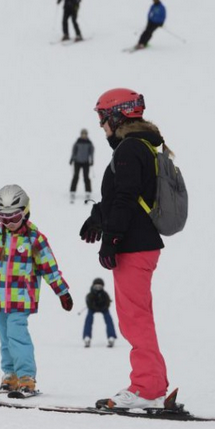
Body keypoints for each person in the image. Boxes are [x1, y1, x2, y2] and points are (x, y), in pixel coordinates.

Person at [80, 88, 169, 409]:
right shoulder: (140, 147)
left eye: (103, 117)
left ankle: (146, 388)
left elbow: (127, 198)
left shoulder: (130, 149)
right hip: (141, 242)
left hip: (134, 244)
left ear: (118, 116)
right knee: (138, 316)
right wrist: (98, 217)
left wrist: (112, 238)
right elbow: (125, 193)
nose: (102, 125)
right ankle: (154, 385)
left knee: (134, 319)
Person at [0, 185, 73, 394]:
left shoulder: (35, 240)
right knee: (5, 339)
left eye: (13, 218)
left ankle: (26, 376)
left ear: (25, 213)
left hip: (22, 299)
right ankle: (10, 375)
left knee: (17, 335)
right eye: (3, 219)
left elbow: (49, 268)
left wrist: (62, 292)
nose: (9, 224)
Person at [83, 278, 117, 348]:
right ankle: (87, 336)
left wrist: (104, 307)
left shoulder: (104, 294)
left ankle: (111, 336)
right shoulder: (90, 295)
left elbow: (107, 303)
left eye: (100, 287)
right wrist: (94, 307)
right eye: (96, 287)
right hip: (93, 309)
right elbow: (89, 304)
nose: (98, 288)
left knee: (108, 318)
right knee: (89, 318)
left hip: (103, 308)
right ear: (93, 286)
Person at [70, 129, 95, 203]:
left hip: (85, 162)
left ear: (87, 135)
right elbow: (74, 151)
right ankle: (72, 191)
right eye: (82, 134)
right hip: (77, 162)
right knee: (76, 176)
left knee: (86, 177)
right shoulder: (77, 142)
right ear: (81, 134)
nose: (84, 135)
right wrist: (72, 159)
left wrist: (92, 160)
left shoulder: (89, 143)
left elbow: (91, 152)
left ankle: (88, 191)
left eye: (85, 134)